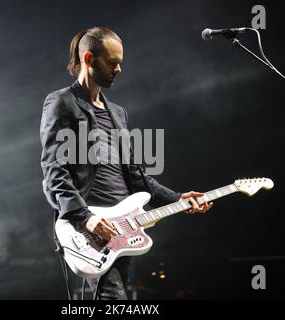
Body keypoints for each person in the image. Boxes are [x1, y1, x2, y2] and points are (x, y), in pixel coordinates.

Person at [40, 27, 213, 300]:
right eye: (112, 62)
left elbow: (136, 176)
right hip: (90, 228)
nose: (119, 69)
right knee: (114, 298)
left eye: (120, 62)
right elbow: (54, 172)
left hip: (125, 226)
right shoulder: (63, 102)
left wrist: (178, 198)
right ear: (88, 59)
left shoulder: (118, 113)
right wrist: (86, 218)